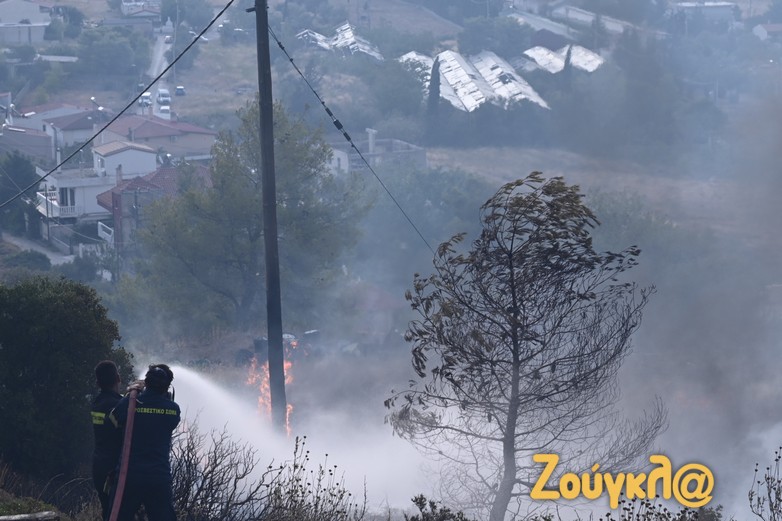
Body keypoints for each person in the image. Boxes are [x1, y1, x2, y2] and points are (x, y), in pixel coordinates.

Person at [109, 364, 181, 521]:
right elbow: (169, 424)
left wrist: (132, 393)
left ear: (146, 383)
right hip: (158, 477)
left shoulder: (132, 403)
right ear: (167, 387)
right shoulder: (173, 409)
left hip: (129, 475)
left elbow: (114, 419)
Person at [91, 360, 124, 521]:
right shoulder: (117, 406)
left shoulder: (97, 403)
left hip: (99, 466)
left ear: (98, 383)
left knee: (108, 512)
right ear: (118, 378)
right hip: (115, 469)